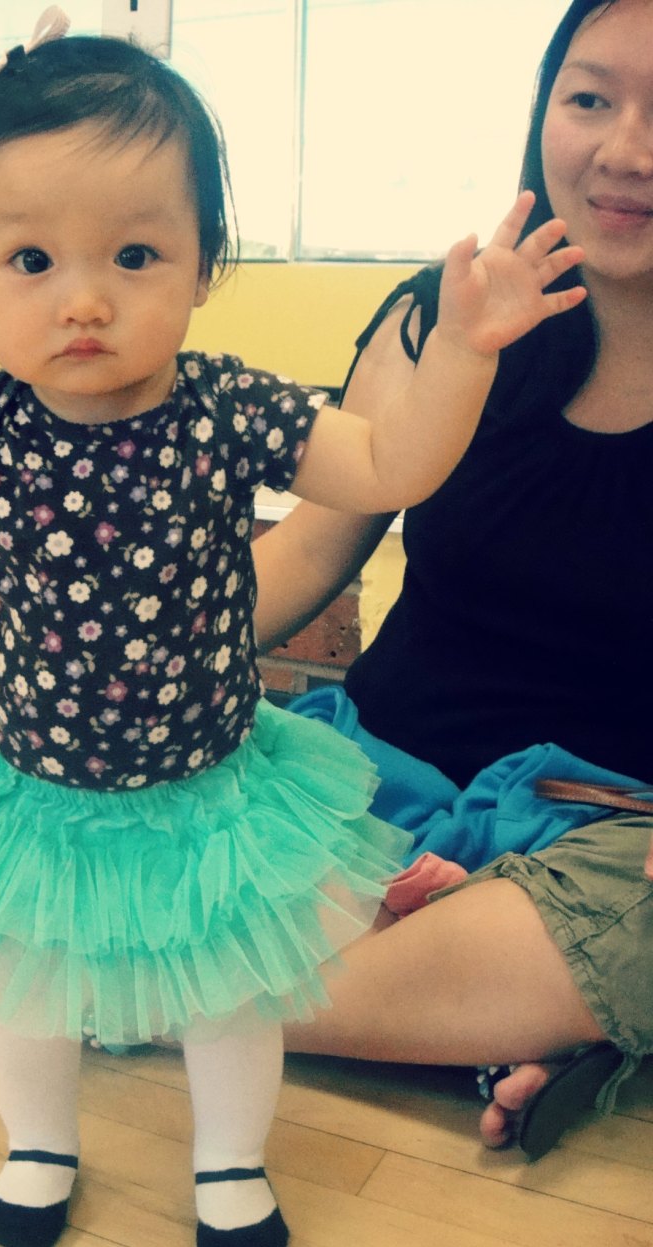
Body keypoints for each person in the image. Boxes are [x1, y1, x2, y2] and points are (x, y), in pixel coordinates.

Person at [0, 34, 583, 1247]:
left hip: (211, 790)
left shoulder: (225, 406)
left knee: (227, 992)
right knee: (27, 986)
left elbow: (391, 465)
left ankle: (231, 1162)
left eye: (134, 254)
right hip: (36, 793)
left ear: (203, 264)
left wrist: (465, 352)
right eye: (32, 259)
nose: (84, 299)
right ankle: (37, 1146)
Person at [252, 0, 653, 1157]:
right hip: (368, 789)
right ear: (543, 113)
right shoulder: (440, 315)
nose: (626, 150)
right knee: (129, 801)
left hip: (602, 843)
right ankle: (486, 1014)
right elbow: (313, 547)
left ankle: (183, 997)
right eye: (590, 99)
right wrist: (134, 663)